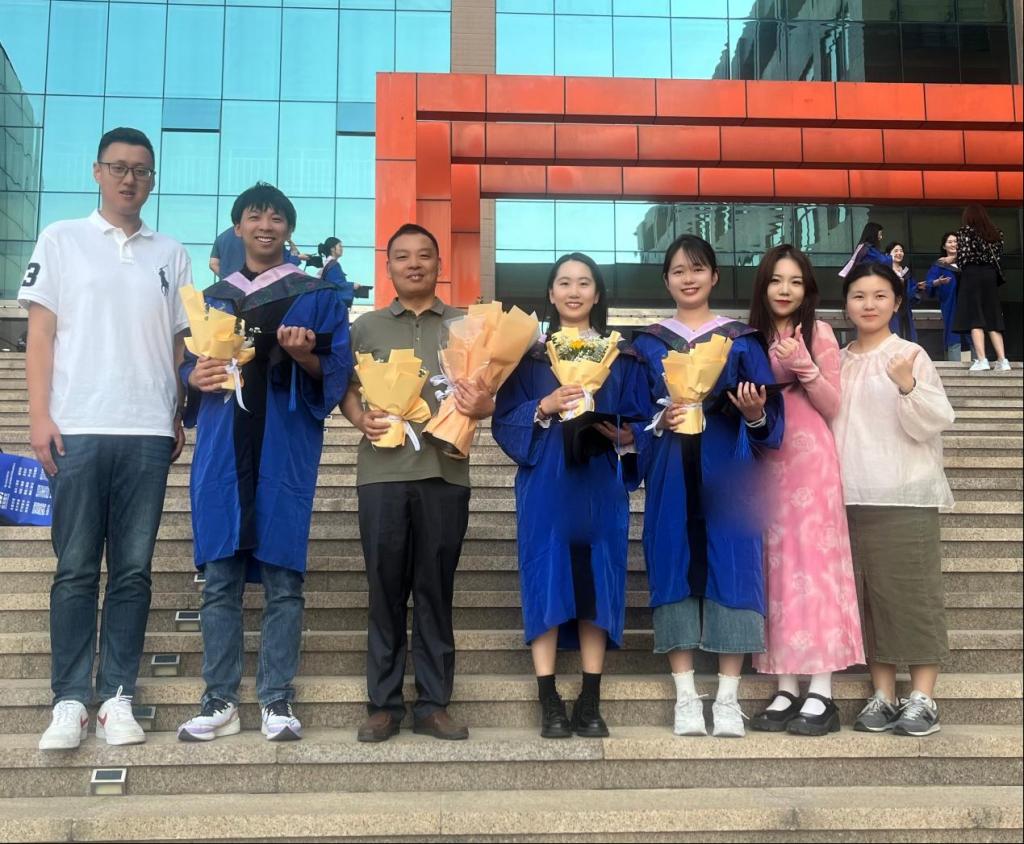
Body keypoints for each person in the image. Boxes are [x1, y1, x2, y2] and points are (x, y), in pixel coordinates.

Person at [22, 127, 190, 750]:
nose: (129, 179)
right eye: (118, 167)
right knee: (73, 569)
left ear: (152, 180)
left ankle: (117, 695)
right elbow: (41, 334)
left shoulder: (171, 252)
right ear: (97, 172)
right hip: (79, 427)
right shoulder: (61, 238)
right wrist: (39, 416)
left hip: (146, 430)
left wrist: (176, 411)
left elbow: (178, 344)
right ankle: (69, 698)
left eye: (141, 170)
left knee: (133, 570)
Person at [176, 183, 352, 743]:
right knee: (219, 580)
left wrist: (305, 356)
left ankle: (276, 697)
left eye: (277, 218)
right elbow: (184, 371)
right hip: (223, 448)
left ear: (289, 230)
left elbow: (337, 370)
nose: (266, 226)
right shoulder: (211, 298)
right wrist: (193, 377)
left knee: (283, 579)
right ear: (238, 228)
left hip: (283, 444)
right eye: (255, 217)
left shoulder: (316, 294)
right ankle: (220, 699)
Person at [340, 223, 495, 743]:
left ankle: (433, 704)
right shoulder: (365, 327)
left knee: (435, 590)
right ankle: (383, 705)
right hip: (381, 474)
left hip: (445, 471)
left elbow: (488, 390)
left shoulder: (466, 325)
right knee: (384, 589)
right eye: (402, 256)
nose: (414, 264)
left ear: (439, 265)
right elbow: (345, 387)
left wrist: (484, 405)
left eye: (424, 256)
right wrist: (359, 418)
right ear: (387, 267)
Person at [630, 234, 784, 739]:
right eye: (678, 271)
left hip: (728, 467)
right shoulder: (648, 344)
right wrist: (658, 420)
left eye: (698, 269)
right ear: (666, 280)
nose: (688, 278)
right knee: (672, 561)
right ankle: (685, 697)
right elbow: (633, 415)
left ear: (714, 276)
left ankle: (727, 698)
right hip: (671, 470)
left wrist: (755, 413)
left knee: (733, 566)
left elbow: (770, 417)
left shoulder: (742, 339)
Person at [492, 253, 647, 739]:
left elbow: (644, 420)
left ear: (597, 294)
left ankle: (590, 699)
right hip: (547, 481)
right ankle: (549, 700)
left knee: (600, 577)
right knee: (546, 574)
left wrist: (629, 437)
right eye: (564, 283)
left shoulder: (622, 357)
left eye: (584, 283)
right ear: (551, 293)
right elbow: (503, 420)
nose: (574, 291)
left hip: (600, 481)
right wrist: (544, 404)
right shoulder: (530, 357)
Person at [745, 245, 864, 736]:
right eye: (777, 280)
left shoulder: (819, 333)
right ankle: (785, 685)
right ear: (763, 286)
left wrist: (804, 366)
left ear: (807, 289)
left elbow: (833, 404)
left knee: (815, 568)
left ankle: (822, 689)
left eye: (795, 281)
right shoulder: (748, 336)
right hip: (765, 462)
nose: (785, 290)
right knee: (776, 569)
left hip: (812, 464)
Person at [833, 262, 955, 737]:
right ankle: (882, 694)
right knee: (870, 598)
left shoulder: (910, 354)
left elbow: (934, 421)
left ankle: (922, 697)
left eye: (880, 295)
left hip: (903, 492)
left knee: (913, 595)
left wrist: (907, 384)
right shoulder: (837, 361)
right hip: (848, 494)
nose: (869, 304)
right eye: (859, 295)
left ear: (897, 302)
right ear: (846, 304)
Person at [952, 204, 1010, 372]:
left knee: (975, 316)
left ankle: (982, 359)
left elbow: (963, 258)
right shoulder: (996, 233)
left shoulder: (965, 232)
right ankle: (1003, 360)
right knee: (992, 316)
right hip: (990, 275)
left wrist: (954, 261)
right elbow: (998, 256)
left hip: (972, 274)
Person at [924, 233, 965, 362]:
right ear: (944, 246)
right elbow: (928, 283)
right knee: (953, 333)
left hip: (968, 303)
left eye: (956, 241)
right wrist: (938, 282)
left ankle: (978, 361)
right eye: (950, 242)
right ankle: (954, 364)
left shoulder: (966, 262)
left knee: (973, 331)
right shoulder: (940, 264)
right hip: (951, 303)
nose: (953, 244)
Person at [317, 237, 365, 309]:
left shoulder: (328, 263)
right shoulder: (333, 265)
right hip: (332, 305)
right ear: (332, 249)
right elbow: (336, 283)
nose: (342, 249)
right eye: (340, 246)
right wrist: (353, 285)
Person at [885, 241, 918, 342]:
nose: (899, 253)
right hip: (891, 310)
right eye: (896, 251)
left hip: (905, 309)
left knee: (908, 337)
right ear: (888, 254)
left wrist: (918, 287)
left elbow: (912, 290)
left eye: (901, 251)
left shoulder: (906, 271)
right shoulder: (885, 272)